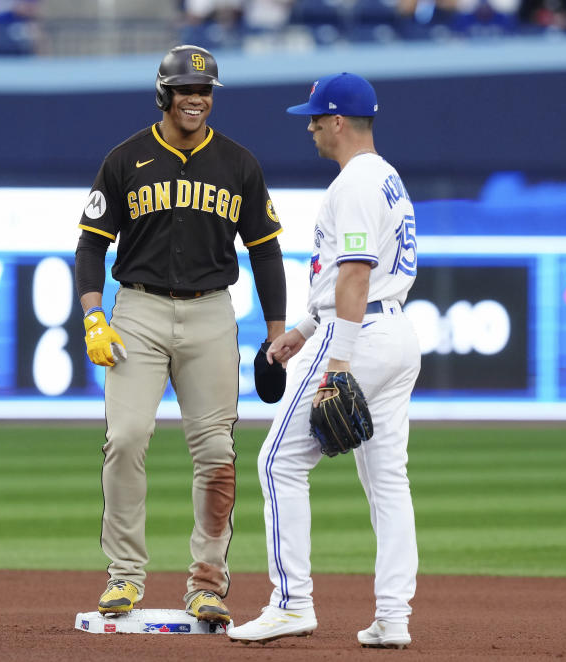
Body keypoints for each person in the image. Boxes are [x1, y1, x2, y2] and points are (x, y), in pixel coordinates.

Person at [74, 44, 287, 625]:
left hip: (211, 312)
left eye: (205, 90)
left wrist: (275, 334)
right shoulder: (126, 159)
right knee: (126, 437)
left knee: (217, 452)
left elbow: (266, 252)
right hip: (137, 311)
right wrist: (95, 314)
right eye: (186, 90)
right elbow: (92, 244)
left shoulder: (238, 164)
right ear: (163, 94)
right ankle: (123, 576)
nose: (197, 99)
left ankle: (208, 584)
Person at [227, 72, 421, 648]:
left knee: (276, 464)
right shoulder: (386, 177)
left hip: (358, 337)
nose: (308, 126)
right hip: (392, 332)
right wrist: (307, 330)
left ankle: (291, 603)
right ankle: (393, 617)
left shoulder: (355, 181)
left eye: (315, 117)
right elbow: (359, 277)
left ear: (338, 120)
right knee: (389, 483)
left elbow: (357, 274)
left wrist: (336, 358)